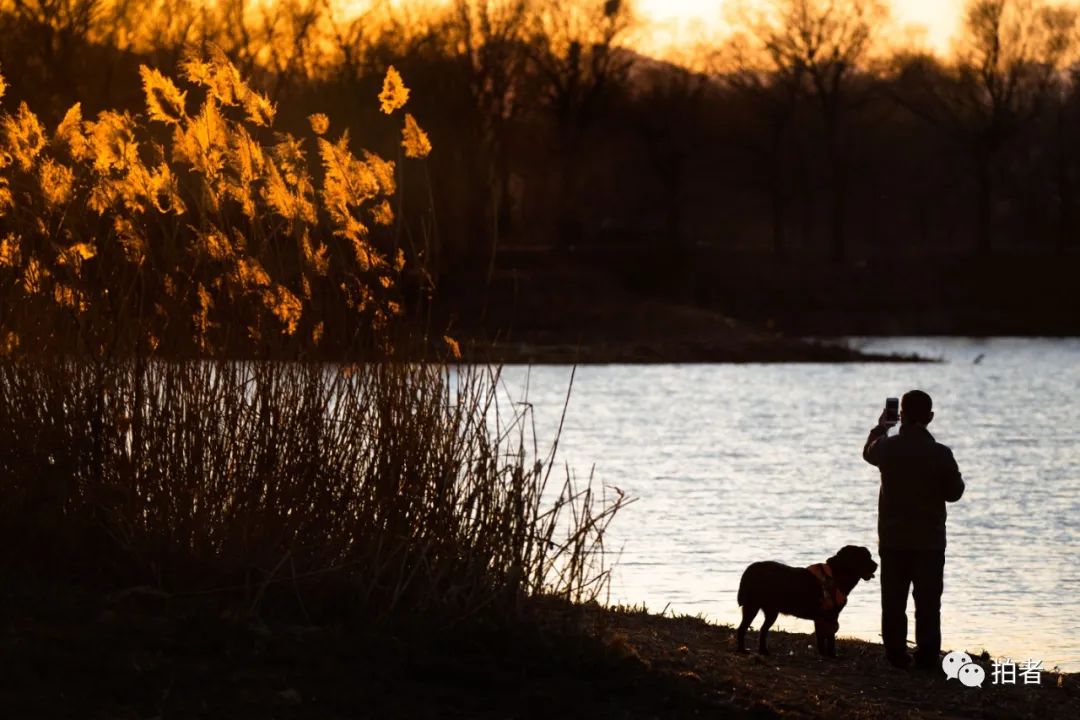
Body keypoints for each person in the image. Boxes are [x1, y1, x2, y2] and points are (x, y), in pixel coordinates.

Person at [863, 390, 965, 670]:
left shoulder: (887, 447)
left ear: (901, 415)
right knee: (929, 603)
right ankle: (927, 657)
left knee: (893, 601)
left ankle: (896, 655)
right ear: (930, 417)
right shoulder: (941, 453)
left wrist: (881, 427)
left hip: (893, 540)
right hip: (929, 542)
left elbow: (868, 452)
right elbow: (955, 493)